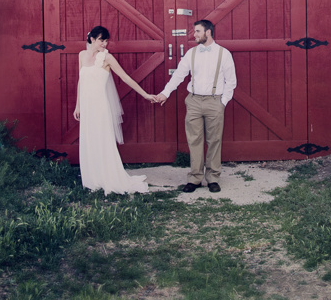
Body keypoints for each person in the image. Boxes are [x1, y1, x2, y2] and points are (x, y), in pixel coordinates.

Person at [73, 26, 157, 195]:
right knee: (89, 140)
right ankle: (92, 179)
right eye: (101, 40)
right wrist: (78, 105)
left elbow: (125, 78)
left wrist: (145, 94)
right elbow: (81, 81)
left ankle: (108, 177)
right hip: (87, 106)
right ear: (92, 39)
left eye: (106, 40)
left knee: (102, 140)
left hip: (100, 106)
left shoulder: (107, 58)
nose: (104, 43)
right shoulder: (82, 55)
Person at [156, 20, 237, 193]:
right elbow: (179, 75)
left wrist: (222, 102)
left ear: (208, 32)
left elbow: (231, 82)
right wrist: (165, 92)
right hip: (193, 101)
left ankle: (213, 178)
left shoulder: (224, 54)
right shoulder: (191, 53)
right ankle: (195, 178)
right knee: (194, 140)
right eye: (195, 31)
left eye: (198, 31)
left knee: (214, 140)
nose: (195, 35)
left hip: (214, 101)